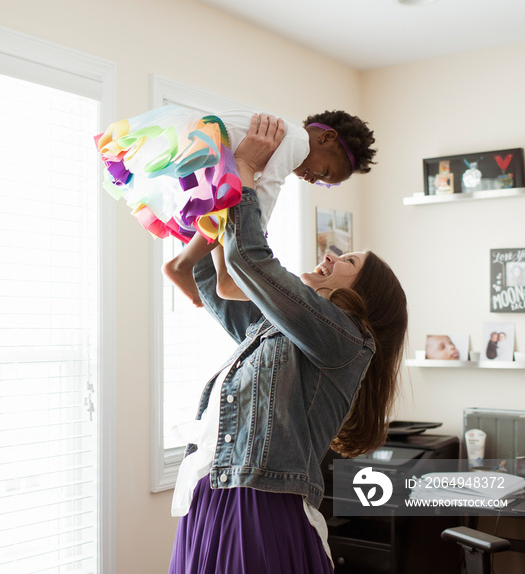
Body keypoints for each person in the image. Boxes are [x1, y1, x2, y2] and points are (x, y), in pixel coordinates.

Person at [168, 114, 408, 574]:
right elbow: (210, 278)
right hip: (213, 493)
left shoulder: (345, 339)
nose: (331, 256)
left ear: (362, 295)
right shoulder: (275, 329)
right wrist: (209, 182)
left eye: (348, 259)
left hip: (260, 505)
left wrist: (245, 172)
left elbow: (249, 260)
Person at [95, 105, 377, 307]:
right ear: (325, 138)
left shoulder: (287, 133)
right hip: (212, 145)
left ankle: (223, 277)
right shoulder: (299, 142)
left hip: (203, 141)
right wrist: (256, 232)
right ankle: (185, 265)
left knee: (224, 210)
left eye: (321, 181)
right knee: (233, 205)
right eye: (324, 172)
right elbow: (269, 186)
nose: (313, 178)